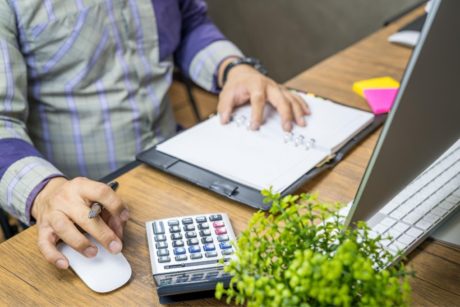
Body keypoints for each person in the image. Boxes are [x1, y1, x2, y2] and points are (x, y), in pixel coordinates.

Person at [0, 0, 309, 269]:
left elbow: (188, 23)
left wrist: (232, 68)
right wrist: (45, 194)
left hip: (177, 164)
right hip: (84, 211)